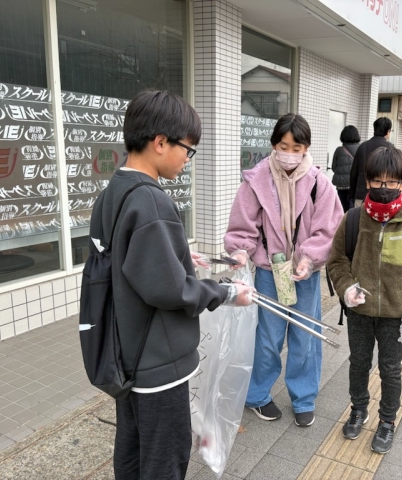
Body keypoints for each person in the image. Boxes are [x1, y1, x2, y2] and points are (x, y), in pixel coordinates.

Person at [89, 90, 255, 480]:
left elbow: (127, 264)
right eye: (187, 149)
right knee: (165, 459)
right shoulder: (150, 200)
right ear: (160, 142)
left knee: (132, 452)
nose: (187, 159)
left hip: (127, 355)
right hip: (157, 361)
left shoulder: (114, 192)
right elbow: (170, 291)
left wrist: (179, 255)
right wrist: (229, 292)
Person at [224, 113, 343, 427]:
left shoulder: (320, 183)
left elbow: (329, 231)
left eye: (296, 147)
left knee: (306, 337)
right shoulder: (256, 180)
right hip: (268, 270)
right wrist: (239, 252)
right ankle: (257, 395)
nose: (289, 153)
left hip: (306, 273)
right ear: (274, 144)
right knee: (267, 338)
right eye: (283, 145)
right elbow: (242, 227)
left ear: (306, 148)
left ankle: (303, 398)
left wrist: (309, 258)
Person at [327, 145, 402, 454]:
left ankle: (387, 421)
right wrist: (347, 288)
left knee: (391, 369)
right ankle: (358, 409)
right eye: (378, 181)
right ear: (367, 181)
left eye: (392, 182)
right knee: (358, 363)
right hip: (359, 313)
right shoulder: (353, 219)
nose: (384, 188)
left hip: (394, 315)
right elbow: (336, 261)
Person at [349, 117, 392, 207]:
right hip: (383, 195)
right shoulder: (391, 148)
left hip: (361, 193)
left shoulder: (363, 146)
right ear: (388, 131)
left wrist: (352, 194)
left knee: (359, 219)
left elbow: (354, 173)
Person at [331, 125, 361, 212]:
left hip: (341, 186)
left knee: (342, 207)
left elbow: (334, 168)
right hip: (355, 184)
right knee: (353, 207)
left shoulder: (339, 150)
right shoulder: (361, 149)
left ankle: (342, 223)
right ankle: (351, 223)